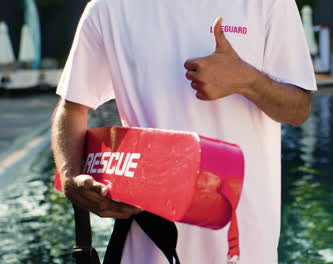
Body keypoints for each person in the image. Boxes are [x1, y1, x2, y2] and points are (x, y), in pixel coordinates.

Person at [51, 0, 317, 263]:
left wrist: (247, 80)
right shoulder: (109, 8)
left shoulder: (269, 4)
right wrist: (70, 178)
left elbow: (298, 110)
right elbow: (72, 107)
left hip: (244, 240)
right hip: (147, 238)